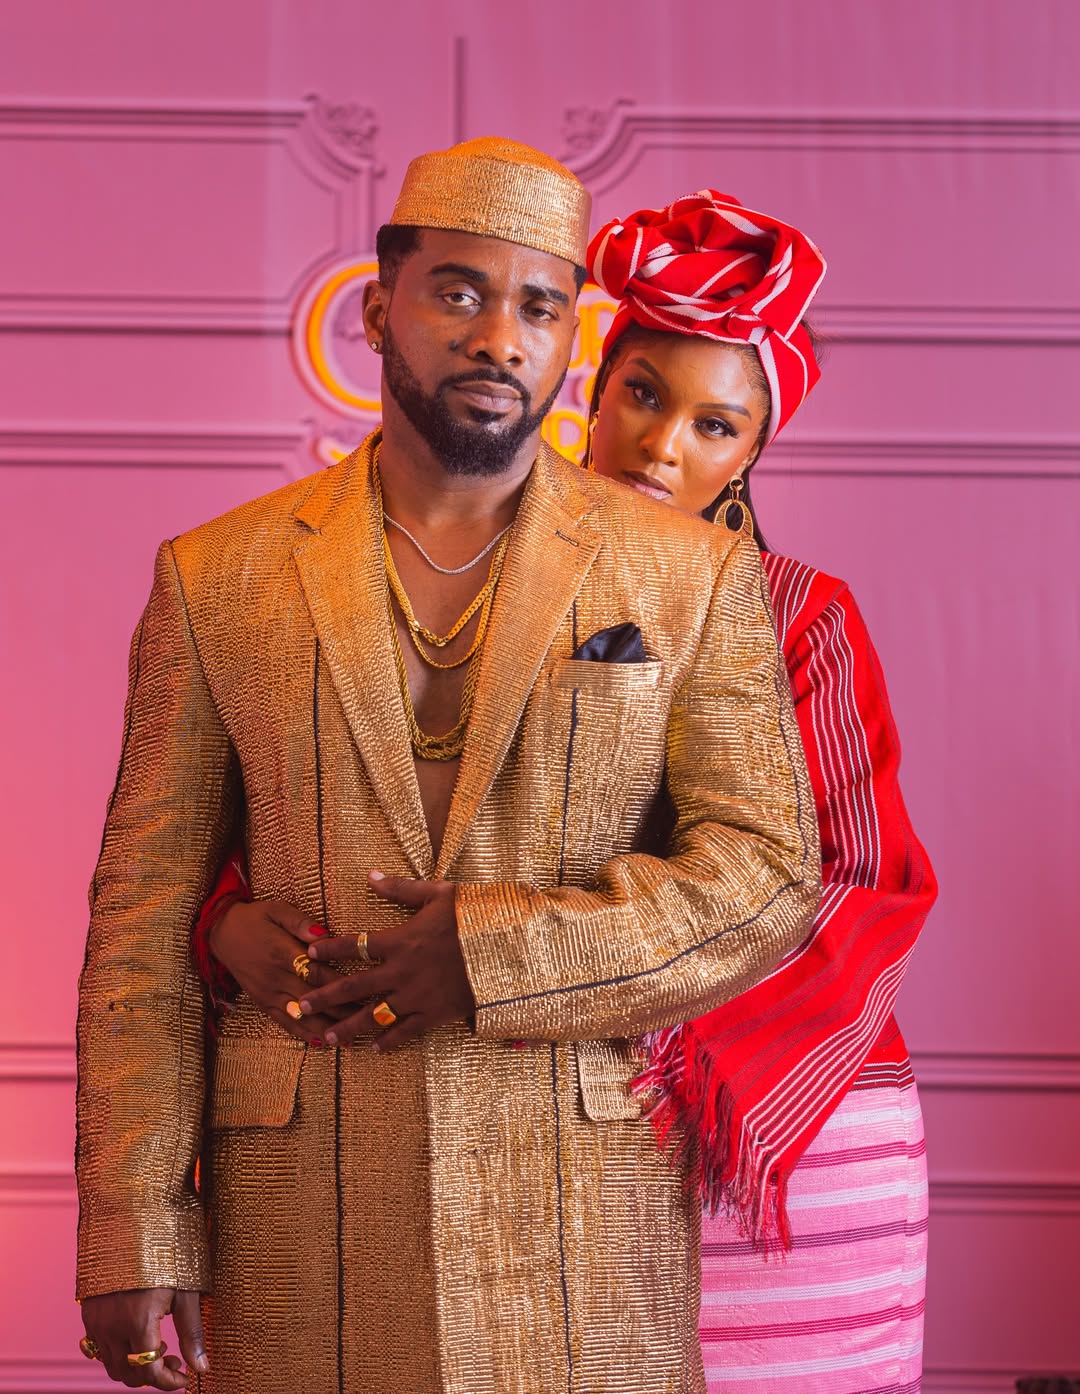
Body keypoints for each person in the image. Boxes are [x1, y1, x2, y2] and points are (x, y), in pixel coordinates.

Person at [75, 143, 821, 1394]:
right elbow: (143, 916)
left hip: (584, 1213)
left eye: (539, 306)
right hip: (295, 1205)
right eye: (458, 292)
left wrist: (493, 951)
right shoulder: (218, 575)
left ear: (570, 337)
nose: (500, 337)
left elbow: (766, 875)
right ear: (378, 308)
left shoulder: (685, 574)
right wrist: (133, 1221)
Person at [201, 188, 936, 1393]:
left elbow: (853, 881)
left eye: (717, 426)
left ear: (756, 450)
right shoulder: (447, 578)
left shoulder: (797, 613)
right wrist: (224, 916)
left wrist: (611, 1006)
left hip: (754, 1123)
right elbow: (321, 803)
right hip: (500, 1097)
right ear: (592, 382)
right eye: (645, 395)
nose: (662, 448)